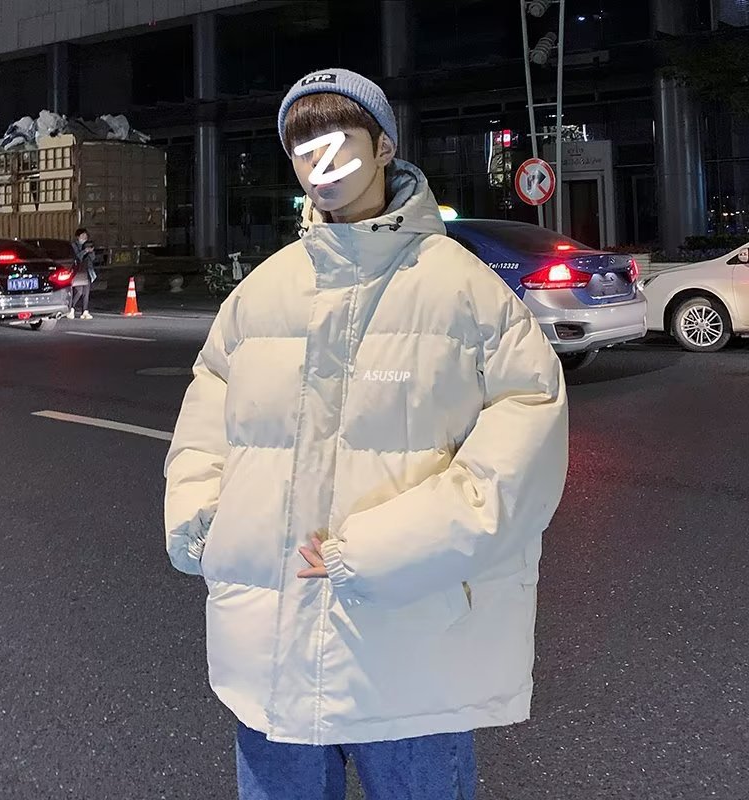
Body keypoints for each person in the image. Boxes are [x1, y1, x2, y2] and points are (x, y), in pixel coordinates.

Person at [164, 68, 569, 800]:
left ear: (384, 147)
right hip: (271, 656)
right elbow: (207, 416)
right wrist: (199, 517)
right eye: (302, 148)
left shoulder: (464, 289)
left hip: (409, 652)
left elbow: (524, 445)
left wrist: (379, 550)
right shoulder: (262, 293)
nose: (319, 163)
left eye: (338, 140)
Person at [69, 227, 96, 320]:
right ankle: (71, 308)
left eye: (86, 235)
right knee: (79, 290)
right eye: (82, 235)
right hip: (78, 271)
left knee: (86, 292)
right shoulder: (74, 245)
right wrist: (85, 251)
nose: (84, 237)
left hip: (87, 270)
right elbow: (77, 257)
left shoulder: (88, 244)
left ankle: (85, 311)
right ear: (78, 236)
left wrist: (91, 252)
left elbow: (93, 258)